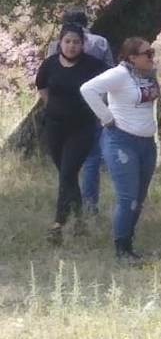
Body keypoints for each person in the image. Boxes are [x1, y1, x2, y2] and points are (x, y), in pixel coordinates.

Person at [80, 37, 161, 262]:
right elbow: (88, 89)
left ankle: (129, 243)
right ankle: (121, 249)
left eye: (152, 52)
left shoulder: (145, 75)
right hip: (121, 141)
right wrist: (106, 117)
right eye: (147, 53)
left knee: (139, 197)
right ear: (132, 57)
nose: (151, 57)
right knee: (128, 197)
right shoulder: (119, 74)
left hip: (146, 142)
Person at [36, 24, 108, 244]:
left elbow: (107, 87)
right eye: (67, 41)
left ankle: (58, 223)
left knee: (67, 172)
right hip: (54, 127)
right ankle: (80, 220)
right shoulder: (50, 64)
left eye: (76, 42)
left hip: (82, 128)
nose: (71, 46)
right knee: (66, 175)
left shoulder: (93, 65)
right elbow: (41, 86)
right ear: (61, 43)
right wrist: (51, 106)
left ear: (82, 44)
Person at [47, 7, 115, 216]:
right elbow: (110, 71)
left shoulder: (57, 44)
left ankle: (69, 210)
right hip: (92, 108)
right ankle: (88, 205)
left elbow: (51, 75)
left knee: (67, 167)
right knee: (92, 158)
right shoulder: (101, 42)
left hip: (63, 109)